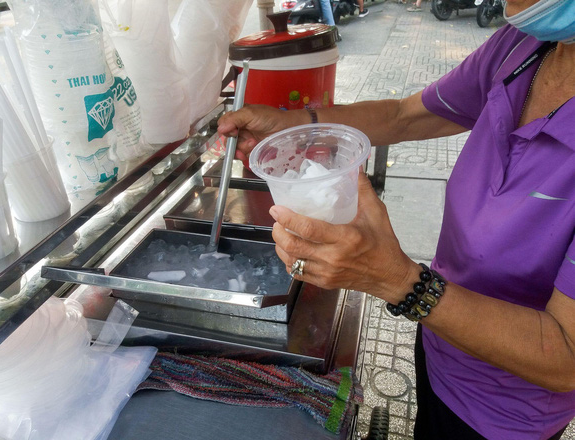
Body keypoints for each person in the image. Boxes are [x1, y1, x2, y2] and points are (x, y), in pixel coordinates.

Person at [218, 0, 575, 438]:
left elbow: (567, 357)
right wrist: (293, 123)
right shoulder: (522, 48)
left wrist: (398, 280)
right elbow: (405, 116)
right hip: (442, 341)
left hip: (508, 414)